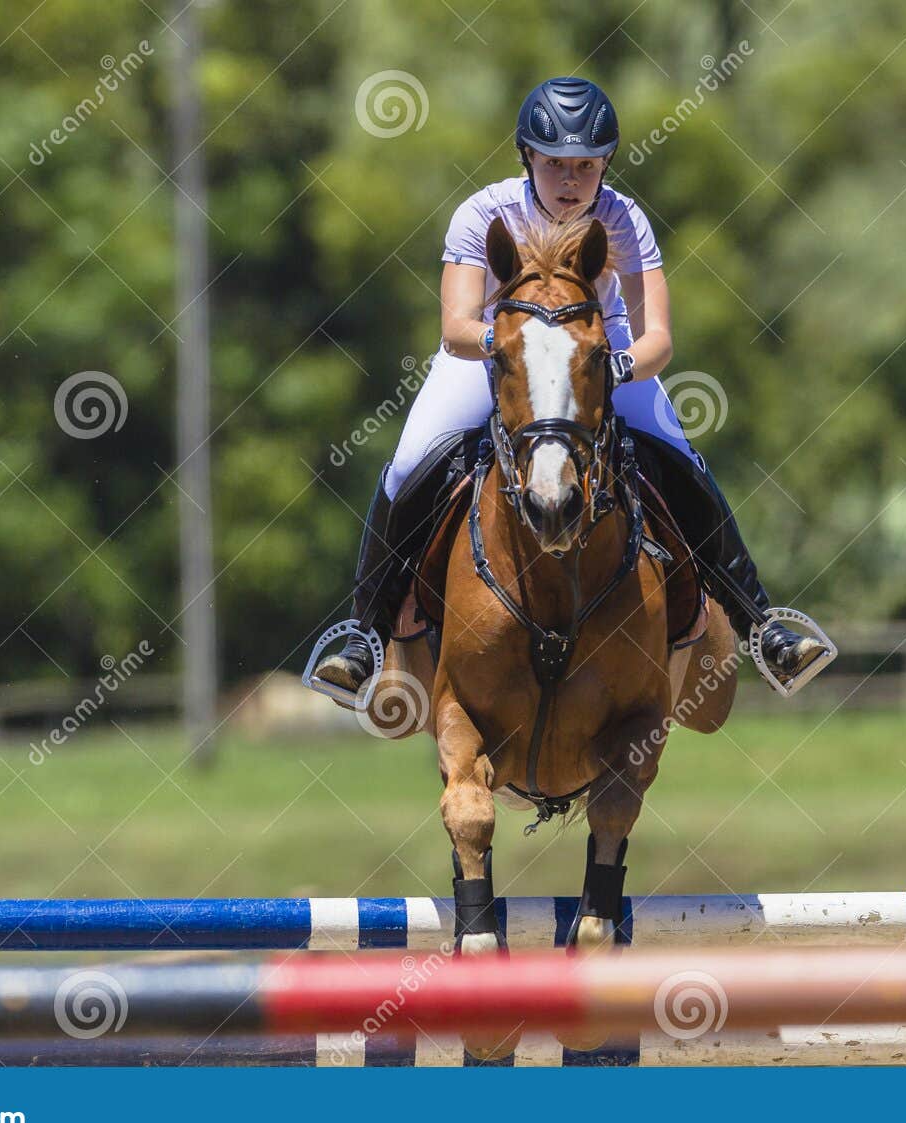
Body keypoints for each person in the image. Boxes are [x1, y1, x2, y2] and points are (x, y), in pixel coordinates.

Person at [311, 76, 828, 699]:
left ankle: (761, 626)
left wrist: (608, 365)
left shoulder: (624, 218)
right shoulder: (484, 212)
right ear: (527, 156)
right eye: (555, 164)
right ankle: (363, 637)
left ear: (606, 163)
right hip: (498, 354)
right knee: (409, 463)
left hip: (598, 356)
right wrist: (524, 353)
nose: (571, 181)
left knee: (682, 460)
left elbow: (658, 339)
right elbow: (455, 327)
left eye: (587, 166)